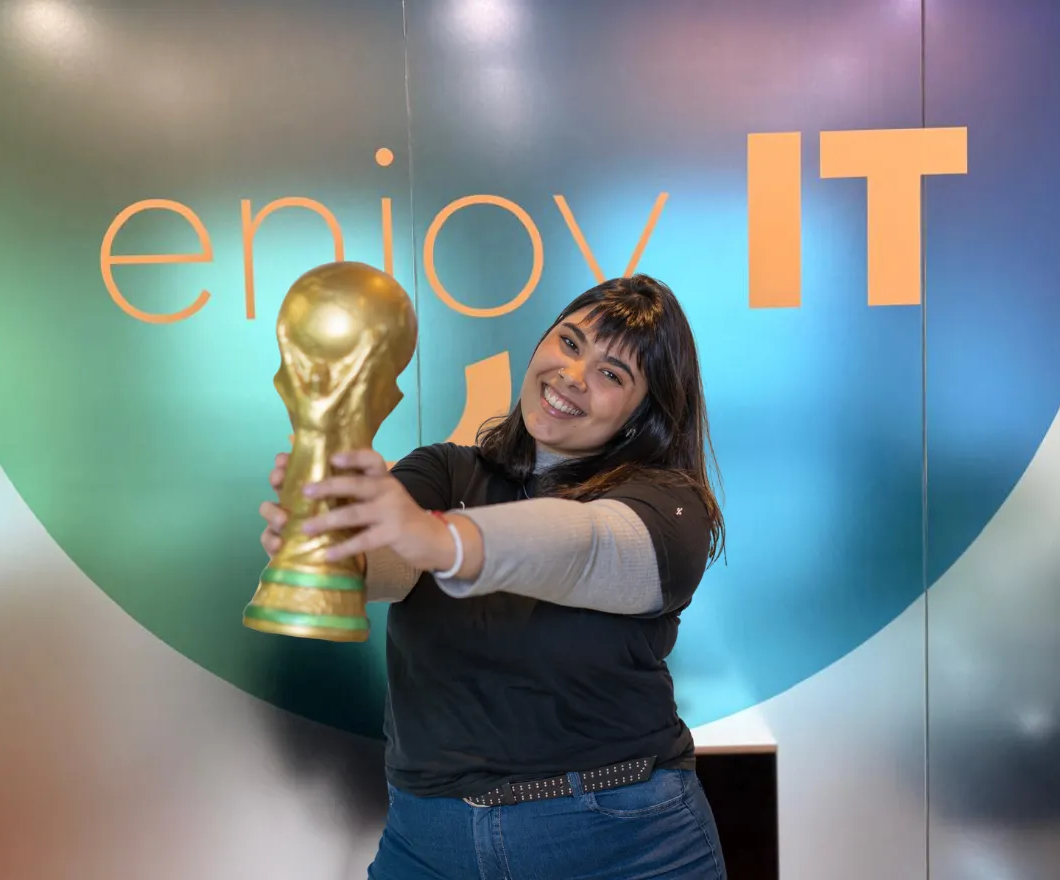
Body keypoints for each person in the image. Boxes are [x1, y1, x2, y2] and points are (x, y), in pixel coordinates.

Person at [259, 274, 728, 879]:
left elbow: (585, 548)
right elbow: (386, 567)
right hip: (428, 844)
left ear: (644, 415)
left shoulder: (668, 507)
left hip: (619, 843)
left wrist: (442, 539)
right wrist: (326, 553)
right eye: (569, 342)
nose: (573, 376)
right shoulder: (446, 472)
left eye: (613, 375)